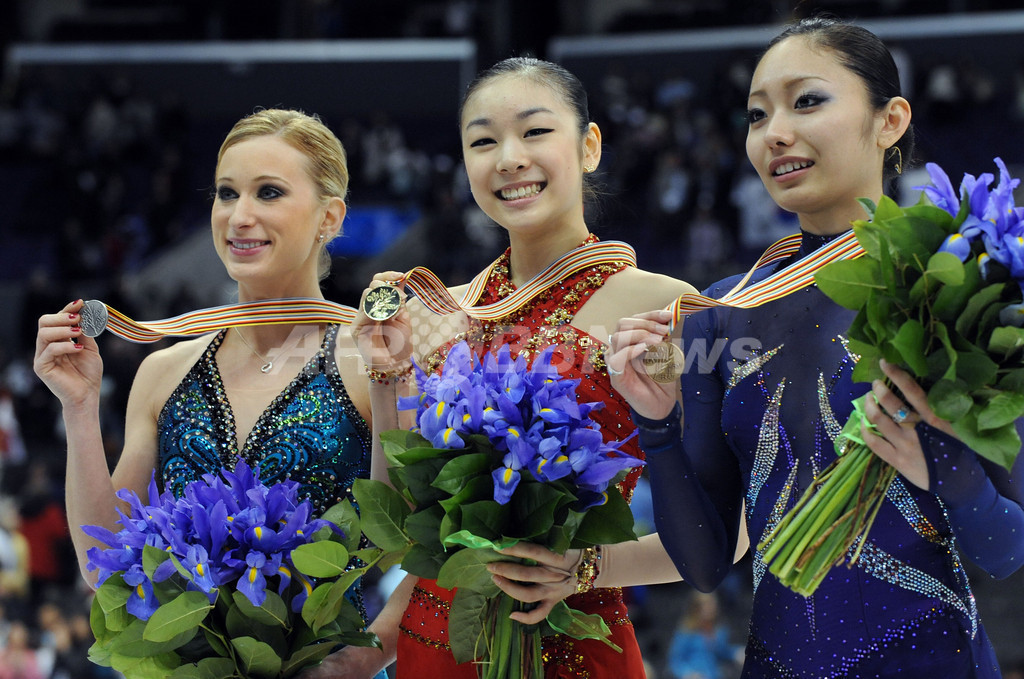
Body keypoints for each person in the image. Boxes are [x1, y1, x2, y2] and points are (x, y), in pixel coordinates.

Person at [608, 17, 1024, 678]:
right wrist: (655, 424)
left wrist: (940, 456)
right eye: (755, 114)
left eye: (807, 101)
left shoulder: (960, 280)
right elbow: (708, 563)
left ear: (889, 120)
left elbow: (1006, 547)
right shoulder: (722, 312)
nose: (774, 133)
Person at [330, 57, 708, 678]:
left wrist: (588, 567)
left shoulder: (665, 308)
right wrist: (387, 375)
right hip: (435, 644)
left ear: (589, 147)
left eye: (534, 132)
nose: (507, 157)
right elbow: (404, 525)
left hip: (574, 648)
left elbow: (726, 530)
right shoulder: (433, 312)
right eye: (482, 141)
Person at [32, 108, 391, 678]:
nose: (239, 216)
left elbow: (413, 547)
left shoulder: (374, 360)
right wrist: (78, 407)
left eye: (268, 192)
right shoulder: (164, 371)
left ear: (330, 217)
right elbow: (104, 566)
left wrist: (356, 663)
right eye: (227, 194)